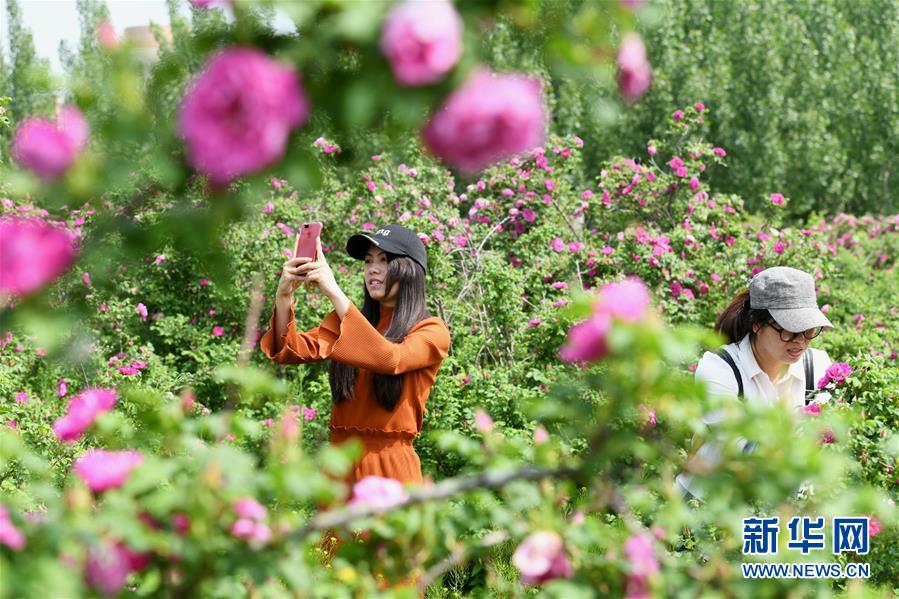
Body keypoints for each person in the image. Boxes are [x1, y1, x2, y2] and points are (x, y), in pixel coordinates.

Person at [259, 223, 451, 488]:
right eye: (368, 261)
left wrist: (334, 292)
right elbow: (288, 350)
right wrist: (284, 296)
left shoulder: (431, 330)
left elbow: (391, 360)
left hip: (389, 471)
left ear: (410, 271)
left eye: (384, 261)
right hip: (339, 469)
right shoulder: (349, 325)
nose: (372, 269)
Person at [675, 266, 835, 503]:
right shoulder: (720, 368)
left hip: (788, 504)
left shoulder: (818, 365)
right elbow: (746, 448)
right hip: (711, 509)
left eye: (809, 330)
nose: (801, 342)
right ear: (757, 324)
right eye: (790, 331)